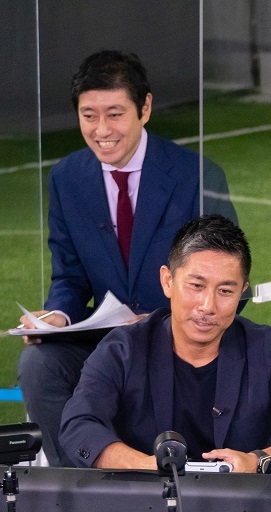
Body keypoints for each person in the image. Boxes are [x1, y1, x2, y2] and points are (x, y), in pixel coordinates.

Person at [17, 50, 236, 467]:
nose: (101, 130)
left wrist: (164, 319)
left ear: (145, 108)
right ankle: (79, 483)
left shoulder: (195, 175)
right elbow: (69, 276)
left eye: (115, 114)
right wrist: (58, 316)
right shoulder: (67, 177)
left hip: (181, 339)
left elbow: (228, 280)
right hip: (107, 343)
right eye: (89, 116)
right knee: (39, 362)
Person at [58, 214, 271, 474]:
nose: (207, 306)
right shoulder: (123, 349)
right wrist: (145, 465)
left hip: (243, 501)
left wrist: (259, 462)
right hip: (147, 499)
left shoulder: (268, 350)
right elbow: (78, 425)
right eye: (196, 286)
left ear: (242, 291)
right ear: (168, 281)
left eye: (225, 291)